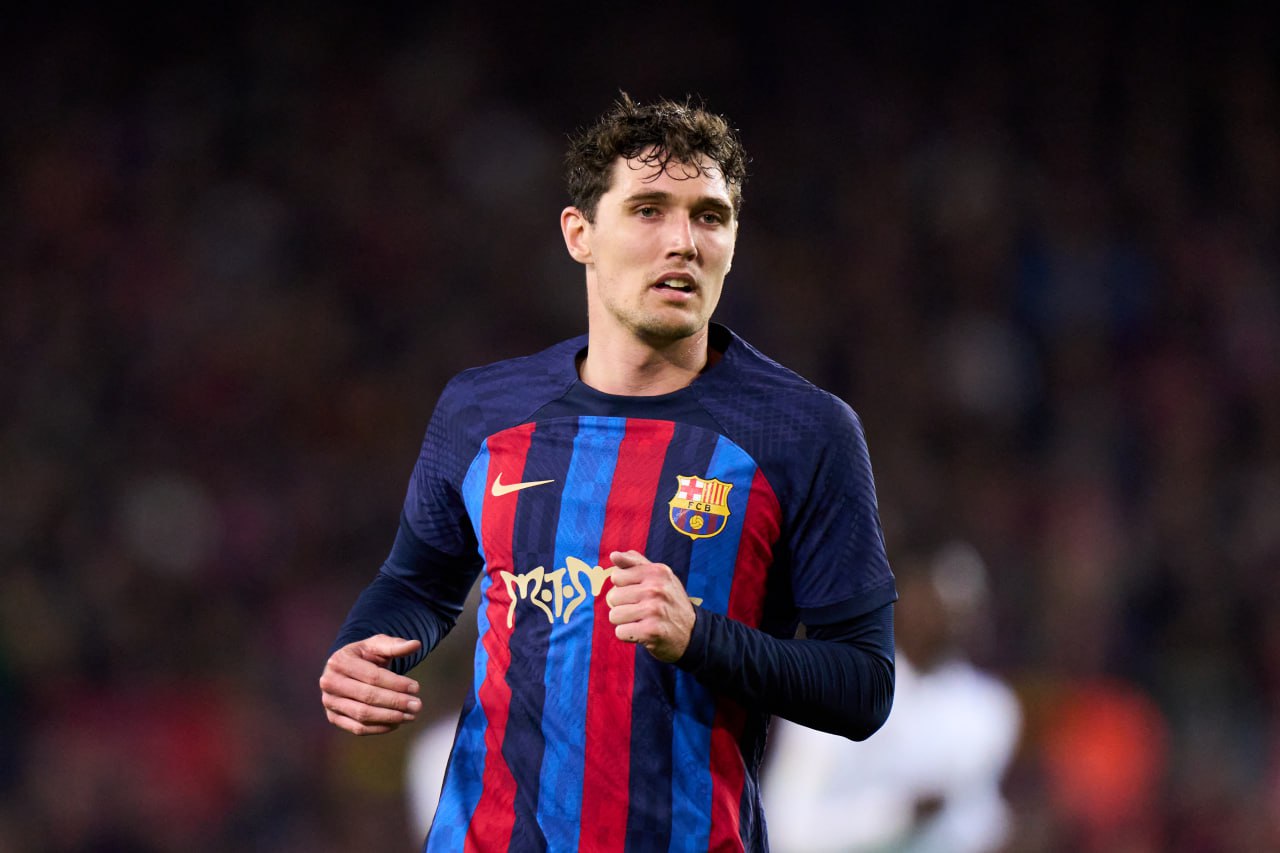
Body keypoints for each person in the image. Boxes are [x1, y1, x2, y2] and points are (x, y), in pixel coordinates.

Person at [318, 93, 898, 852]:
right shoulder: (482, 410)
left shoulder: (803, 430)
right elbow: (418, 584)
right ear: (580, 234)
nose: (683, 241)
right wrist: (361, 648)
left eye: (710, 216)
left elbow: (863, 687)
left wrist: (700, 638)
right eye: (649, 210)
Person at [762, 541, 1021, 853]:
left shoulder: (989, 710)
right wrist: (896, 816)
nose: (947, 613)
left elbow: (981, 824)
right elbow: (785, 828)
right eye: (937, 592)